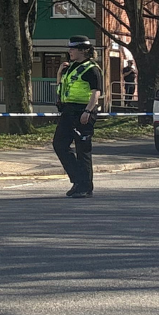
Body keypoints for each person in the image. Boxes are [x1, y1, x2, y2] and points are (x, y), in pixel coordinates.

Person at [54, 36, 103, 198]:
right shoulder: (71, 67)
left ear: (83, 50)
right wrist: (60, 73)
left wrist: (88, 111)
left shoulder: (92, 69)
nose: (70, 52)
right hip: (68, 110)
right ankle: (78, 179)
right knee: (59, 144)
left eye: (73, 49)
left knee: (83, 149)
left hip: (83, 111)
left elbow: (97, 92)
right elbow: (63, 87)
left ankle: (85, 186)